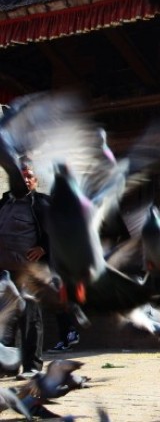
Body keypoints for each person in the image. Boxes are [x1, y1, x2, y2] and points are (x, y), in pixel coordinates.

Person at [0, 161, 50, 377]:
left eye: (29, 176)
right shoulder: (2, 204)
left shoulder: (41, 204)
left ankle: (32, 367)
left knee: (30, 317)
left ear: (35, 180)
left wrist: (43, 247)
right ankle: (6, 367)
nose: (26, 180)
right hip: (3, 273)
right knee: (5, 318)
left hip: (29, 271)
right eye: (21, 176)